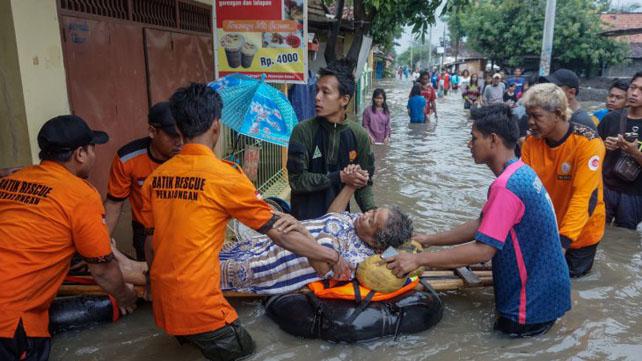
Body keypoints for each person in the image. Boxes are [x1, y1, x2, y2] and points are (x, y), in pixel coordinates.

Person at [140, 83, 352, 361]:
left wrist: (151, 286)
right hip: (201, 307)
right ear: (216, 126)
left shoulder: (156, 178)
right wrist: (332, 255)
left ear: (178, 128)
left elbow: (149, 240)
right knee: (248, 352)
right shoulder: (226, 177)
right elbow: (279, 234)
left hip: (163, 304)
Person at [386, 104, 571, 337]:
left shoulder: (507, 186)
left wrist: (418, 260)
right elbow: (482, 225)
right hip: (547, 292)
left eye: (474, 138)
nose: (469, 144)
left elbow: (484, 250)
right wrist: (428, 239)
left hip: (529, 304)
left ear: (493, 140)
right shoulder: (521, 172)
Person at [0, 115, 138, 360]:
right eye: (92, 149)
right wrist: (124, 296)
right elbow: (103, 270)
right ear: (81, 154)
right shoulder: (80, 194)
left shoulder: (13, 179)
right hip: (11, 322)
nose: (94, 156)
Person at [221, 184, 413, 294]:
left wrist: (302, 231)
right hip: (267, 243)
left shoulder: (360, 259)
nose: (366, 215)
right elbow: (331, 217)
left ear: (375, 242)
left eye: (371, 221)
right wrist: (350, 187)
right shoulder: (356, 222)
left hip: (272, 265)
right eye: (372, 211)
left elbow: (323, 269)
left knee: (203, 276)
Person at [520, 83, 606, 278]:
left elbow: (584, 198)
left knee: (572, 284)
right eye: (529, 115)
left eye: (537, 116)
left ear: (558, 114)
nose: (530, 122)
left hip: (581, 235)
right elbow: (526, 192)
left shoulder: (588, 143)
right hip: (548, 229)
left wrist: (562, 243)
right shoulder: (531, 143)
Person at [288, 60, 376, 220]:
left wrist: (374, 215)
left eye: (325, 92)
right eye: (317, 91)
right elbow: (297, 181)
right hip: (303, 223)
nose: (317, 97)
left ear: (344, 99)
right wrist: (339, 177)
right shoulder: (302, 131)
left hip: (340, 225)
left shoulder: (360, 135)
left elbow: (364, 184)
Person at [104, 102, 182, 260]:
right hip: (146, 232)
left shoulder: (190, 155)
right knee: (149, 277)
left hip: (183, 227)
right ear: (152, 131)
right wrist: (100, 244)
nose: (179, 142)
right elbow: (114, 204)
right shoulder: (128, 159)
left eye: (183, 135)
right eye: (173, 136)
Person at [598, 72, 642, 229]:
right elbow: (591, 154)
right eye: (633, 87)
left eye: (641, 90)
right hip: (607, 187)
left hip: (635, 194)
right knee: (599, 231)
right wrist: (604, 146)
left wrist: (635, 152)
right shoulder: (611, 118)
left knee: (625, 238)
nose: (635, 93)